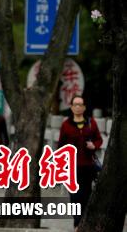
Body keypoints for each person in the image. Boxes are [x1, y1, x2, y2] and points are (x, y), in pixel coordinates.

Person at [58, 94, 102, 231]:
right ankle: (77, 223)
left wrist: (94, 145)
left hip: (88, 165)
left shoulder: (91, 123)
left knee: (86, 195)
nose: (77, 107)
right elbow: (60, 145)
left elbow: (99, 139)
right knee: (75, 196)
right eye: (75, 104)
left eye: (80, 104)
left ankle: (84, 221)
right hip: (72, 167)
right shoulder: (66, 125)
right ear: (71, 107)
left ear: (84, 107)